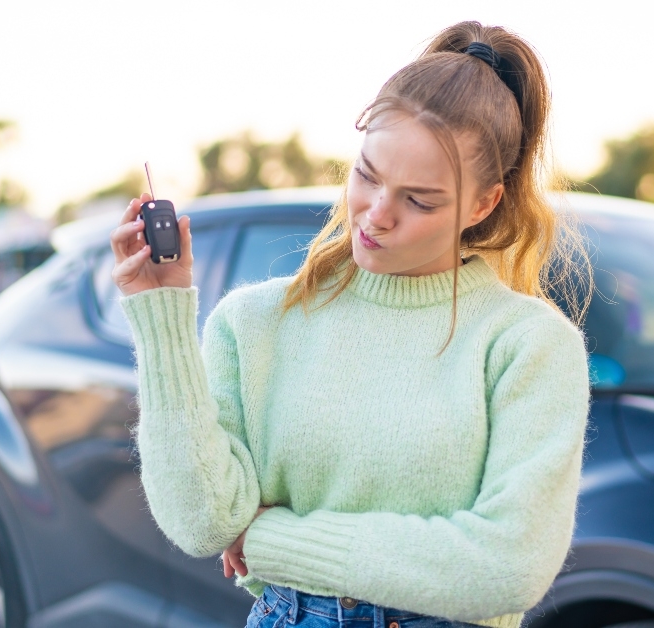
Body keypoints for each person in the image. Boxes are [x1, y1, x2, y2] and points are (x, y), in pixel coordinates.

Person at [110, 20, 591, 628]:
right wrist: (162, 318)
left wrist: (272, 542)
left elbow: (506, 568)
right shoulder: (256, 323)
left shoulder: (528, 345)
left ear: (483, 204)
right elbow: (201, 522)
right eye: (366, 175)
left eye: (420, 200)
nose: (376, 215)